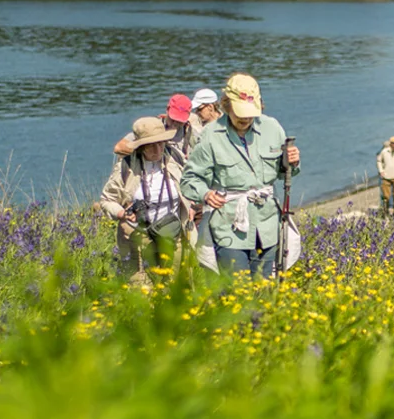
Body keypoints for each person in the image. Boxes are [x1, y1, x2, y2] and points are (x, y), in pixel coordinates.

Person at [180, 73, 301, 278]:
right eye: (239, 112)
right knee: (236, 292)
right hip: (229, 227)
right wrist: (206, 194)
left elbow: (283, 172)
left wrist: (293, 163)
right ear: (226, 105)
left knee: (265, 290)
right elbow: (189, 180)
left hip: (267, 226)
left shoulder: (272, 128)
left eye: (249, 113)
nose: (245, 118)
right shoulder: (210, 135)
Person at [100, 116, 199, 281]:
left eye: (161, 143)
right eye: (151, 146)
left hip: (172, 233)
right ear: (140, 147)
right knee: (141, 289)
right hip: (138, 236)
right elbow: (106, 200)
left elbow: (191, 184)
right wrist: (121, 213)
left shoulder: (175, 158)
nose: (158, 150)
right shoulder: (126, 167)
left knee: (173, 286)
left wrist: (192, 204)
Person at [114, 94, 194, 161]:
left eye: (180, 121)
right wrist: (147, 152)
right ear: (167, 110)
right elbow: (119, 148)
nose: (175, 123)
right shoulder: (152, 127)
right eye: (173, 119)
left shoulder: (191, 134)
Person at [376, 135, 394, 214]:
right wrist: (381, 171)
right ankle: (385, 212)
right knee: (386, 196)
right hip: (386, 177)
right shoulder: (384, 151)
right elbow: (379, 161)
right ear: (390, 143)